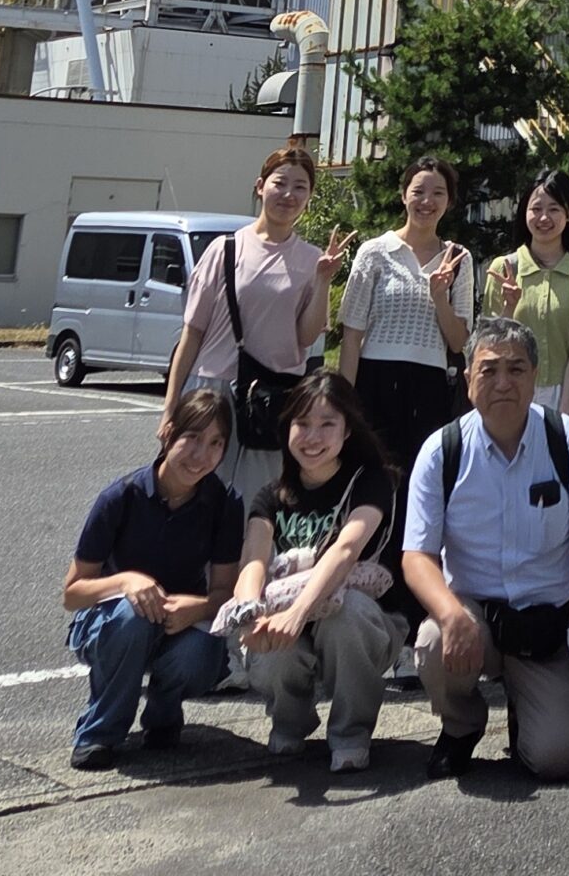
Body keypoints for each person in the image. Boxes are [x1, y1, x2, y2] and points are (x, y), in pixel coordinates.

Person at [402, 316, 569, 780]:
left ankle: (529, 710)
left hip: (548, 621)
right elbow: (416, 556)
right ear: (467, 379)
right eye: (490, 369)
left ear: (535, 377)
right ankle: (461, 726)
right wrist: (451, 613)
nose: (503, 382)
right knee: (434, 640)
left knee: (557, 760)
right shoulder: (442, 451)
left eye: (516, 369)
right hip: (473, 615)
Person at [227, 371, 400, 772]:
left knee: (348, 611)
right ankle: (291, 721)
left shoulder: (371, 482)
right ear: (286, 428)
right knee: (267, 636)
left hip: (367, 621)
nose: (313, 437)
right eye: (302, 423)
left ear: (348, 432)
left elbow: (345, 550)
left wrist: (298, 612)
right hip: (295, 617)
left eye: (327, 425)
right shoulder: (271, 495)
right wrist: (252, 612)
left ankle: (351, 733)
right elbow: (253, 558)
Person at [62, 389, 242, 770]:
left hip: (177, 622)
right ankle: (99, 732)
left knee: (205, 647)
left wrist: (202, 606)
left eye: (215, 443)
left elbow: (225, 590)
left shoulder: (225, 503)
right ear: (168, 433)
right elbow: (73, 594)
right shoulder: (121, 496)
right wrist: (126, 581)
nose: (201, 455)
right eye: (191, 438)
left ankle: (163, 715)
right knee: (131, 618)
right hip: (110, 623)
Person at [162, 144, 351, 500]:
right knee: (193, 490)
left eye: (300, 187)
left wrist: (324, 279)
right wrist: (171, 406)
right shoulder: (224, 249)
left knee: (258, 501)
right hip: (212, 390)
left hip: (274, 397)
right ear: (260, 185)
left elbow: (307, 336)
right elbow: (192, 333)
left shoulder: (313, 260)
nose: (289, 194)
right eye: (280, 183)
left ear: (309, 196)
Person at [338, 154, 472, 490]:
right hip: (375, 380)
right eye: (418, 191)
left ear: (450, 201)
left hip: (430, 387)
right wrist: (344, 402)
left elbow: (459, 342)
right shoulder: (374, 251)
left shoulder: (459, 258)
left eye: (438, 193)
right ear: (404, 195)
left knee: (421, 483)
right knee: (370, 479)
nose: (427, 201)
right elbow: (352, 336)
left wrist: (440, 297)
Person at [484, 168, 569, 420]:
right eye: (536, 208)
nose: (544, 217)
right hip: (513, 392)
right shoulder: (504, 269)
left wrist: (565, 415)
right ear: (524, 212)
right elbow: (490, 345)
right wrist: (508, 308)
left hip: (567, 393)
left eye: (554, 209)